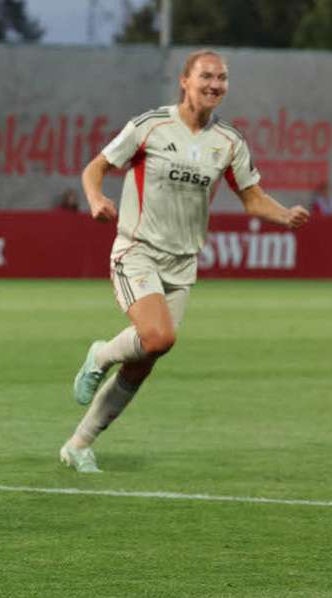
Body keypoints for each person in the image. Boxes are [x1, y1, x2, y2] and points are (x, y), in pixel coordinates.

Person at [59, 49, 309, 473]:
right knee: (158, 337)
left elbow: (252, 197)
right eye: (206, 76)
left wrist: (283, 214)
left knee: (142, 364)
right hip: (137, 251)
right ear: (185, 81)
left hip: (182, 263)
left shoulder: (228, 142)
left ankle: (79, 444)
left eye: (222, 78)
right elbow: (95, 168)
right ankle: (100, 355)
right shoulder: (151, 125)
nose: (215, 84)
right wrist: (96, 197)